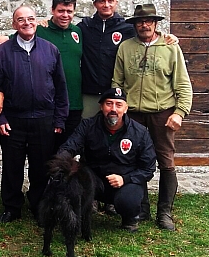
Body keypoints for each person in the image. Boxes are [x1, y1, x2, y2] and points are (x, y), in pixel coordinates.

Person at [112, 4, 192, 231]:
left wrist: (179, 112)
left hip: (162, 113)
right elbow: (117, 82)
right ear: (134, 25)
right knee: (133, 161)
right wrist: (119, 108)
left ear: (156, 23)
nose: (144, 25)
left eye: (148, 21)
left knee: (166, 161)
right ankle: (141, 207)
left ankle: (164, 212)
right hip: (133, 114)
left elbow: (183, 84)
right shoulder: (125, 48)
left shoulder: (170, 48)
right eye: (139, 22)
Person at [0, 5, 69, 222]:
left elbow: (61, 88)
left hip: (44, 120)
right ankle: (11, 207)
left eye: (30, 18)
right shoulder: (2, 52)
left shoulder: (50, 50)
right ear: (14, 24)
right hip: (13, 120)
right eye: (21, 19)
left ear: (36, 21)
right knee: (12, 166)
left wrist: (59, 118)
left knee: (41, 167)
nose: (26, 23)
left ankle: (38, 206)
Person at [58, 88, 157, 232]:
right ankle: (79, 216)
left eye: (118, 105)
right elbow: (70, 146)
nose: (113, 109)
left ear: (126, 108)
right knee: (74, 183)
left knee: (128, 200)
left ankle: (130, 218)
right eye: (109, 104)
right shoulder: (88, 126)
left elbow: (148, 168)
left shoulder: (140, 132)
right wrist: (61, 161)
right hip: (94, 179)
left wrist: (126, 178)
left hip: (124, 181)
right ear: (101, 106)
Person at [77, 0, 136, 118]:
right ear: (95, 4)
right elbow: (64, 32)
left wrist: (165, 36)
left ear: (116, 3)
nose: (106, 5)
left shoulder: (127, 29)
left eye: (110, 1)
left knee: (114, 130)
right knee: (89, 130)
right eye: (102, 1)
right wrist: (44, 23)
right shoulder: (84, 27)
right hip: (89, 93)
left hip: (116, 94)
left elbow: (147, 37)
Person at [37, 0, 83, 147]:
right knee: (47, 152)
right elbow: (10, 42)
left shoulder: (77, 32)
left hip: (74, 104)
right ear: (52, 10)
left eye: (69, 11)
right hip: (49, 104)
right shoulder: (39, 31)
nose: (65, 15)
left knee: (68, 153)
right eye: (61, 11)